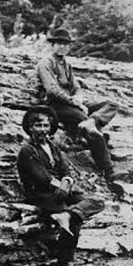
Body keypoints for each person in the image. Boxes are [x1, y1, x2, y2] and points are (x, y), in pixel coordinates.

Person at [16, 105, 105, 266]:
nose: (42, 130)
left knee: (97, 201)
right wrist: (62, 186)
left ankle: (68, 214)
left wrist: (67, 182)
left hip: (62, 190)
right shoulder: (27, 150)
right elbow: (41, 178)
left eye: (45, 126)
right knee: (75, 223)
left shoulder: (53, 146)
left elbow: (65, 169)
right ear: (30, 127)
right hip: (41, 194)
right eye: (38, 125)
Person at [34, 28, 121, 189]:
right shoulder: (45, 64)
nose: (62, 47)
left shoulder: (67, 65)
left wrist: (79, 98)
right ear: (52, 45)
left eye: (65, 44)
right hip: (55, 106)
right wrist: (75, 103)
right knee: (85, 121)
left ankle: (92, 123)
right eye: (59, 44)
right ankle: (107, 170)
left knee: (111, 104)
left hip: (71, 103)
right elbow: (52, 90)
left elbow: (77, 87)